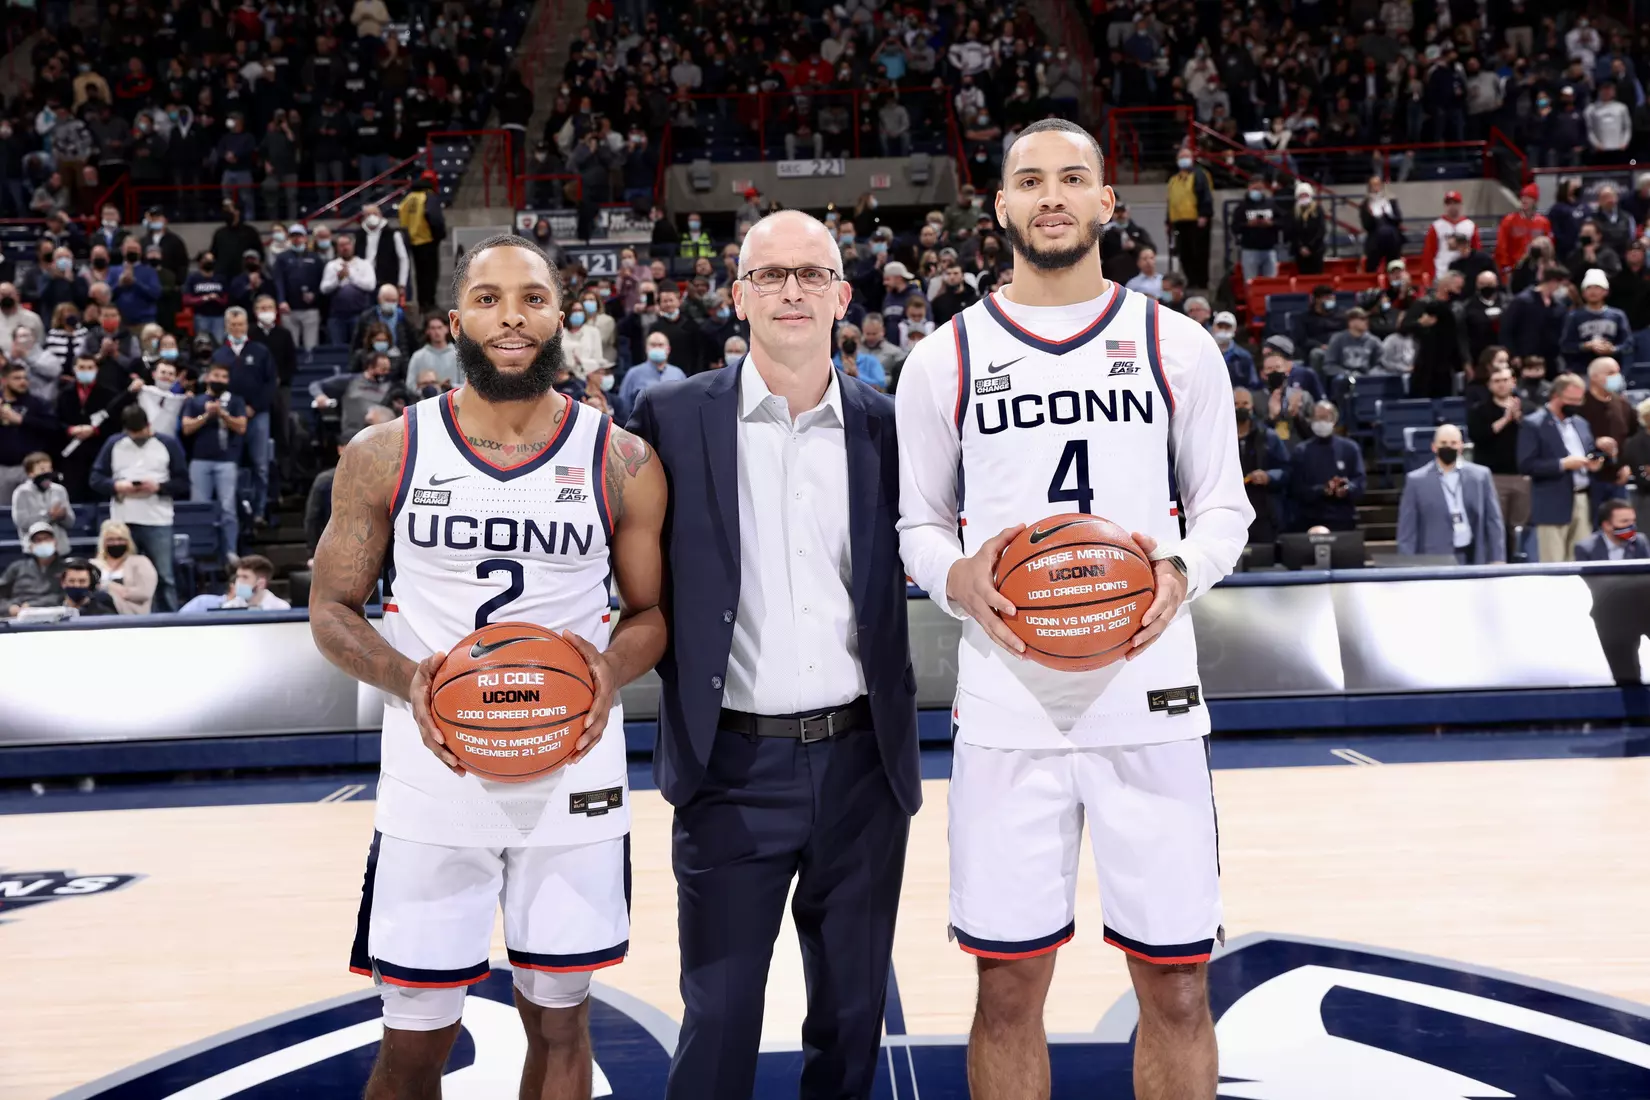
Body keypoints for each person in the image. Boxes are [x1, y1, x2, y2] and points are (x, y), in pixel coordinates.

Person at [896, 120, 1251, 1100]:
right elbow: (916, 525)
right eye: (1029, 180)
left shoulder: (1177, 345)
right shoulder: (945, 357)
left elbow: (1226, 507)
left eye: (1073, 178)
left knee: (1177, 987)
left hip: (1152, 706)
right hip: (1010, 714)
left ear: (1107, 203)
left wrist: (1176, 570)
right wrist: (956, 575)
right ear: (1000, 207)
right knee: (1006, 990)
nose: (1051, 195)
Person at [310, 233, 666, 1100]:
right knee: (413, 1046)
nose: (512, 316)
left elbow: (653, 616)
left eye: (533, 298)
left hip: (572, 775)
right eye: (489, 297)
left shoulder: (621, 459)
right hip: (436, 780)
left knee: (562, 1022)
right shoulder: (386, 452)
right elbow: (330, 610)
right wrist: (410, 681)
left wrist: (611, 672)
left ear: (562, 315)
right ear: (456, 316)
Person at [624, 208, 917, 1100]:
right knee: (717, 1020)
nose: (792, 290)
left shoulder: (891, 424)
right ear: (737, 296)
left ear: (842, 296)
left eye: (811, 274)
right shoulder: (668, 415)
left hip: (863, 763)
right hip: (731, 766)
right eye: (770, 275)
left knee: (851, 1018)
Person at [88, 405, 186, 612]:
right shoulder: (114, 443)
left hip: (157, 520)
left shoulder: (167, 443)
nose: (136, 437)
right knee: (123, 577)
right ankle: (125, 616)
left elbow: (183, 482)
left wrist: (159, 487)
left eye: (140, 432)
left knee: (164, 576)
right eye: (131, 434)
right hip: (123, 521)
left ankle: (171, 621)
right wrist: (116, 486)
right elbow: (95, 479)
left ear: (148, 425)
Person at [1519, 372, 1605, 562]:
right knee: (1554, 566)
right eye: (1571, 400)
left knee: (1581, 563)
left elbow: (1589, 453)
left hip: (1583, 500)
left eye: (1579, 400)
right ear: (1555, 396)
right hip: (1552, 502)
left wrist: (1595, 463)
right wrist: (1562, 464)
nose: (1576, 404)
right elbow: (1526, 465)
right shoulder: (1533, 424)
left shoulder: (1581, 424)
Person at [1397, 424, 1505, 564]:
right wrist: (1407, 566)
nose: (1448, 446)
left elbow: (1493, 521)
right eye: (1443, 443)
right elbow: (1407, 531)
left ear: (1461, 446)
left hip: (1473, 557)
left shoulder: (1480, 476)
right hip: (1433, 560)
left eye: (1453, 443)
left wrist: (1497, 558)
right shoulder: (1416, 481)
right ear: (1434, 447)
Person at [212, 307, 277, 525]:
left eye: (240, 325)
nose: (237, 329)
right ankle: (239, 512)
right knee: (232, 465)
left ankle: (259, 511)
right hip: (228, 416)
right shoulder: (219, 353)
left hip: (258, 415)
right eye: (232, 325)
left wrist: (254, 407)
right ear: (226, 326)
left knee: (260, 465)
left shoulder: (260, 351)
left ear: (246, 325)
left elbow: (271, 384)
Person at [181, 361, 248, 566]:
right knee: (199, 508)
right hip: (199, 461)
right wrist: (206, 415)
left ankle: (230, 552)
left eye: (224, 377)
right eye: (216, 376)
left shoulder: (235, 401)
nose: (220, 380)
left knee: (228, 509)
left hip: (226, 462)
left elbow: (241, 427)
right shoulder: (195, 401)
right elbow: (186, 428)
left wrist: (222, 414)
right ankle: (200, 551)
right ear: (208, 377)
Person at [1468, 365, 1532, 556]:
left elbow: (1536, 437)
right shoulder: (1479, 410)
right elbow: (1479, 436)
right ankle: (1496, 563)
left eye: (1505, 380)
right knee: (1496, 525)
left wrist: (1519, 418)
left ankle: (1519, 564)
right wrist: (1505, 419)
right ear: (1489, 385)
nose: (1502, 385)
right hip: (1493, 476)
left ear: (1513, 382)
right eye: (1497, 381)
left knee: (1520, 527)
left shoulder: (1529, 408)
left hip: (1522, 477)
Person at [1289, 401, 1366, 530]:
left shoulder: (1350, 448)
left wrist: (1346, 488)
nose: (1321, 422)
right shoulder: (1301, 451)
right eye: (1317, 418)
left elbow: (1360, 482)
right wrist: (1322, 490)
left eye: (1325, 418)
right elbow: (1296, 488)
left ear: (1334, 420)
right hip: (1310, 519)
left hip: (1343, 518)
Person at [1578, 356, 1639, 504]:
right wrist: (1594, 442)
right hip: (1588, 479)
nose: (1617, 377)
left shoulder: (1623, 404)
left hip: (1618, 478)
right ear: (1594, 377)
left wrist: (1629, 466)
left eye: (1617, 372)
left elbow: (1635, 438)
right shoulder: (1580, 405)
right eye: (1611, 373)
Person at [1, 365, 63, 503]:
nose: (23, 382)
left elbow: (53, 427)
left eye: (25, 378)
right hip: (2, 468)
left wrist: (22, 420)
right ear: (4, 380)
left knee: (35, 511)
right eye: (17, 378)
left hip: (31, 468)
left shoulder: (38, 403)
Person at [1234, 386, 1288, 545]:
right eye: (1236, 404)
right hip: (1230, 514)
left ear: (1252, 406)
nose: (1241, 408)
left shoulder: (1268, 437)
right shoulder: (1216, 437)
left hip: (1262, 512)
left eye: (1245, 404)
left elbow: (1286, 470)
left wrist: (1268, 476)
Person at [1559, 269, 1632, 376]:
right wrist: (1586, 346)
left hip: (1611, 372)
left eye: (1597, 287)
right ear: (1583, 293)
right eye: (1588, 288)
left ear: (1606, 291)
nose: (1593, 291)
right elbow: (1565, 346)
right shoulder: (1574, 316)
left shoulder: (1617, 315)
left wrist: (1612, 349)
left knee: (1614, 392)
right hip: (1582, 372)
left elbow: (1628, 344)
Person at [1165, 148, 1213, 288]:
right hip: (1179, 222)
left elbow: (1206, 196)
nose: (1184, 159)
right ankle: (1191, 281)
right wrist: (1168, 221)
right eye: (1181, 156)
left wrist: (1204, 214)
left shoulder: (1200, 175)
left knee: (1199, 253)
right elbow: (1171, 202)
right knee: (1184, 254)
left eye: (1186, 156)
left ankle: (1202, 283)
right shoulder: (1173, 179)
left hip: (1196, 221)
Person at [398, 173, 446, 313]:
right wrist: (439, 235)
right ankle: (429, 305)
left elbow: (401, 216)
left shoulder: (408, 198)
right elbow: (434, 218)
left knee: (419, 276)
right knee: (430, 275)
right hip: (427, 240)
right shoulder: (428, 196)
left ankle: (422, 304)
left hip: (413, 241)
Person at [10, 452, 74, 555]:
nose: (47, 473)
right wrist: (49, 515)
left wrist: (63, 516)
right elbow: (22, 522)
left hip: (60, 550)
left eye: (49, 469)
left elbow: (70, 523)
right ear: (30, 473)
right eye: (42, 470)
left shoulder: (59, 490)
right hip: (33, 551)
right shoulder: (21, 493)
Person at [273, 224, 324, 349]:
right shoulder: (282, 258)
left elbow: (322, 282)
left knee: (311, 347)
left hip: (310, 309)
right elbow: (278, 280)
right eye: (293, 236)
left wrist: (315, 295)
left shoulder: (315, 258)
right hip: (289, 309)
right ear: (289, 238)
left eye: (299, 236)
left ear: (305, 238)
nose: (297, 239)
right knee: (291, 347)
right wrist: (281, 301)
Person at [321, 233, 378, 345]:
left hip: (360, 314)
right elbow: (324, 288)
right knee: (337, 348)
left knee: (359, 346)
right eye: (341, 245)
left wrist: (351, 276)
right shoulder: (331, 265)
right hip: (337, 316)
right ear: (337, 248)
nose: (345, 248)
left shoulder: (364, 264)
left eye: (347, 244)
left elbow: (371, 285)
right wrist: (338, 279)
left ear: (352, 245)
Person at [91, 518, 156, 614]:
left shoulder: (141, 562)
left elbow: (144, 593)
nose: (116, 543)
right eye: (111, 540)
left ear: (128, 542)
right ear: (104, 543)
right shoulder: (93, 564)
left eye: (120, 539)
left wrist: (108, 586)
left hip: (131, 612)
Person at [615, 331, 684, 421]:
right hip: (643, 428)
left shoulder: (678, 374)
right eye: (653, 345)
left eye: (660, 345)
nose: (657, 348)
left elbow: (685, 404)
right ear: (646, 349)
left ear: (668, 349)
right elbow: (623, 405)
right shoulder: (634, 374)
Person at [2, 521, 69, 614]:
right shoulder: (16, 567)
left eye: (46, 539)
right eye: (38, 540)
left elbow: (68, 597)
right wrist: (9, 608)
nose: (43, 543)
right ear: (30, 546)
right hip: (18, 617)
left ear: (55, 542)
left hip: (54, 616)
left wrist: (33, 605)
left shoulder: (66, 568)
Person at [1421, 190, 1480, 281]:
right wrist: (1430, 273)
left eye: (1455, 203)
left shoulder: (1470, 225)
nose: (1452, 206)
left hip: (1465, 273)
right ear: (1445, 206)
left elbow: (1476, 251)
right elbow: (1429, 252)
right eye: (1449, 203)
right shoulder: (1436, 226)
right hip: (1442, 272)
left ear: (1461, 205)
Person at [356, 203, 410, 297]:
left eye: (375, 214)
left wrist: (402, 283)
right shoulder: (360, 236)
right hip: (365, 282)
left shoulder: (393, 235)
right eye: (368, 215)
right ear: (364, 217)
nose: (372, 217)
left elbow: (403, 259)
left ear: (380, 215)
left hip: (388, 281)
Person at [1495, 184, 1552, 273]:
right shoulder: (1509, 220)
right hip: (1514, 268)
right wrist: (1505, 266)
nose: (1524, 200)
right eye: (1523, 197)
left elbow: (1548, 247)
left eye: (1529, 197)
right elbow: (1501, 246)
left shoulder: (1543, 222)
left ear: (1535, 201)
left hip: (1537, 268)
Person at [1100, 201, 1155, 286]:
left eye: (1122, 212)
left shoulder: (1138, 232)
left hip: (1135, 275)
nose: (1120, 215)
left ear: (1128, 213)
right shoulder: (1106, 234)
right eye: (1117, 212)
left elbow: (1151, 249)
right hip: (1112, 275)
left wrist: (1135, 246)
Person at [1574, 499, 1649, 560]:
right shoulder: (1586, 548)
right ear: (1607, 525)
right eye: (1625, 521)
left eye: (1633, 520)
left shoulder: (1639, 542)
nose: (1632, 525)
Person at [1359, 176, 1405, 273]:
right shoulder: (1365, 204)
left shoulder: (1391, 201)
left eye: (1378, 184)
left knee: (1394, 266)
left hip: (1392, 237)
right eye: (1373, 185)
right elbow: (1366, 226)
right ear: (1369, 187)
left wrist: (1388, 215)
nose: (1376, 187)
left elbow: (1399, 219)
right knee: (1372, 265)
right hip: (1375, 238)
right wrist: (1371, 216)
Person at [1322, 307, 1384, 378]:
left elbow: (1380, 364)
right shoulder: (1337, 339)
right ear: (1351, 322)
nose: (1366, 321)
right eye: (1362, 319)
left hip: (1367, 379)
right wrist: (1348, 374)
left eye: (1366, 318)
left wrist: (1369, 375)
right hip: (1344, 379)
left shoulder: (1374, 341)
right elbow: (1329, 365)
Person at [1237, 178, 1280, 278]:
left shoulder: (1271, 204)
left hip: (1269, 249)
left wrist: (1271, 223)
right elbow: (1235, 227)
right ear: (1249, 188)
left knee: (1270, 282)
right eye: (1255, 189)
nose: (1257, 191)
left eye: (1259, 189)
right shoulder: (1242, 207)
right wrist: (1248, 225)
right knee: (1250, 282)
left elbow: (1283, 222)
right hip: (1250, 250)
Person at [220, 554, 291, 610]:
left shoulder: (281, 608)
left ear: (261, 583)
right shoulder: (229, 608)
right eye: (238, 576)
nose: (239, 581)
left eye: (245, 577)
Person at [406, 315, 459, 390]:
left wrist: (451, 386)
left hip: (452, 399)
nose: (436, 332)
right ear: (427, 331)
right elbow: (410, 384)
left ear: (446, 329)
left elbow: (466, 385)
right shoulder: (418, 356)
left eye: (439, 327)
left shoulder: (458, 355)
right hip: (426, 400)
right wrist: (426, 390)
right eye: (433, 328)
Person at [1287, 182, 1327, 276]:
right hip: (1299, 251)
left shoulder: (1318, 210)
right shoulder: (1293, 212)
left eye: (1306, 194)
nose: (1304, 197)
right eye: (1301, 195)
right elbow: (1291, 231)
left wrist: (1309, 247)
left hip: (1316, 250)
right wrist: (1301, 247)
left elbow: (1321, 230)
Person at [1212, 311, 1258, 388]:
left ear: (1234, 329)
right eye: (1220, 326)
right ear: (1213, 327)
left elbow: (1252, 383)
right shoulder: (1204, 353)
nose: (1223, 330)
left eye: (1227, 327)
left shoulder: (1244, 356)